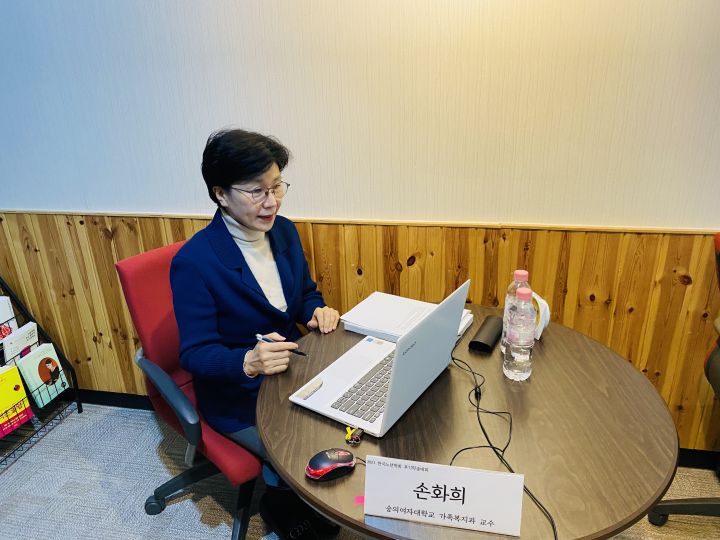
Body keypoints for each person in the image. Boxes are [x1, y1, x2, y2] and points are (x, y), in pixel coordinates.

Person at [170, 129, 340, 540]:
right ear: (221, 194)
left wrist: (315, 311)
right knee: (304, 451)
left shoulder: (284, 231)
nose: (272, 201)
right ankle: (279, 500)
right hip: (239, 396)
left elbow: (303, 293)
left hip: (291, 372)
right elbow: (195, 353)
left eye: (277, 186)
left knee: (346, 426)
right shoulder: (195, 262)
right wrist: (247, 361)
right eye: (256, 191)